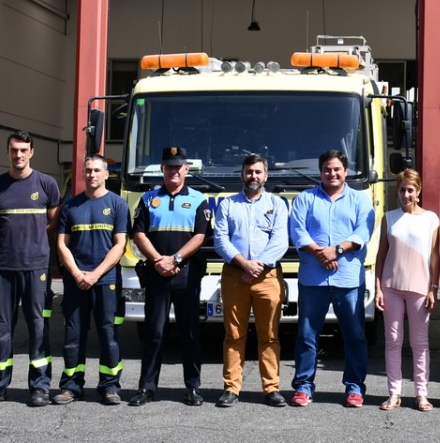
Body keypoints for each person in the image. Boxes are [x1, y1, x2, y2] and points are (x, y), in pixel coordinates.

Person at [0, 131, 61, 408]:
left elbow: (53, 223)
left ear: (32, 152)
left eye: (23, 150)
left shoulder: (47, 184)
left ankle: (40, 387)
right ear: (7, 152)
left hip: (36, 268)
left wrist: (32, 245)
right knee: (1, 329)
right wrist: (9, 245)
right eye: (13, 150)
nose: (18, 155)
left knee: (38, 328)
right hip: (3, 267)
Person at [288, 150, 375, 408]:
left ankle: (354, 387)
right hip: (313, 279)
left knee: (355, 335)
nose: (332, 173)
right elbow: (298, 232)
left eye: (337, 169)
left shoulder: (360, 199)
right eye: (327, 169)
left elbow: (363, 232)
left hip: (348, 279)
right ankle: (303, 386)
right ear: (320, 171)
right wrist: (320, 253)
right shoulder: (305, 199)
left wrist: (336, 250)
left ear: (345, 171)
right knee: (306, 334)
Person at [128, 145, 212, 407]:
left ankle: (192, 387)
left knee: (189, 333)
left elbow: (201, 235)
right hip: (156, 274)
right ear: (162, 169)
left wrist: (175, 259)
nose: (174, 170)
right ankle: (147, 387)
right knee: (154, 332)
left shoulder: (199, 199)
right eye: (169, 166)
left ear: (186, 169)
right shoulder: (148, 199)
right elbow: (138, 233)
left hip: (186, 274)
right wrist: (158, 260)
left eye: (178, 166)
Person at [213, 154, 289, 408]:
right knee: (233, 334)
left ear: (266, 175)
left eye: (258, 172)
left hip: (267, 276)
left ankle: (271, 388)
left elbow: (280, 241)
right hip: (235, 275)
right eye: (249, 172)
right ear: (241, 175)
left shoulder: (277, 204)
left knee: (269, 335)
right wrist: (243, 263)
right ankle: (231, 388)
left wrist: (258, 266)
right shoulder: (226, 204)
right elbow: (221, 239)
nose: (253, 176)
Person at [52, 154, 129, 406]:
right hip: (76, 282)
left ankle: (110, 386)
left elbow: (120, 245)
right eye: (87, 170)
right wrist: (76, 273)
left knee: (108, 335)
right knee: (73, 336)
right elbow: (62, 245)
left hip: (106, 281)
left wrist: (95, 274)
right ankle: (71, 386)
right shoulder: (71, 207)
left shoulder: (118, 205)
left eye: (97, 170)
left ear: (107, 174)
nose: (92, 174)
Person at [374, 168, 440, 412]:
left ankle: (421, 394)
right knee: (392, 341)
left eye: (410, 190)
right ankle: (394, 393)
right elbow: (381, 255)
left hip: (420, 288)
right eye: (401, 190)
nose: (405, 194)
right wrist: (378, 287)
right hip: (391, 287)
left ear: (418, 191)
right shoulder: (388, 218)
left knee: (419, 342)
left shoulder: (431, 219)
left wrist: (434, 287)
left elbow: (435, 256)